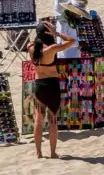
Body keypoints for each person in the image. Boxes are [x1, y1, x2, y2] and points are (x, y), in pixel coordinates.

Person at [26, 20, 76, 159]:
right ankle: (53, 152)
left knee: (38, 120)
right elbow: (72, 41)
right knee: (53, 121)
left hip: (39, 85)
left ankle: (38, 152)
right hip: (52, 85)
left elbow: (35, 41)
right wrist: (57, 33)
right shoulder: (52, 49)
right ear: (48, 33)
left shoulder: (30, 47)